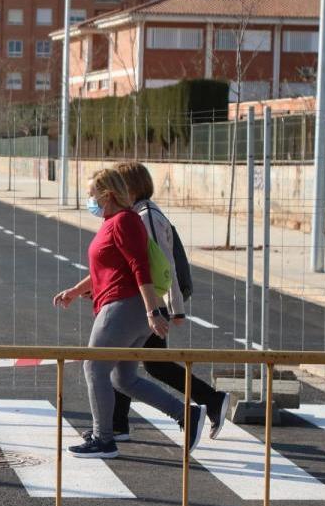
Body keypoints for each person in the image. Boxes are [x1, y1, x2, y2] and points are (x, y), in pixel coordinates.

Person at [53, 168, 206, 459]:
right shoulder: (115, 222)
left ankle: (103, 438)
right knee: (122, 379)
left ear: (107, 195)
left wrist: (153, 311)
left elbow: (140, 267)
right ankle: (187, 414)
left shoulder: (124, 221)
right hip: (126, 306)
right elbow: (106, 269)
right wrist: (74, 291)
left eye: (91, 195)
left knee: (94, 367)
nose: (89, 201)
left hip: (123, 306)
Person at [109, 162, 231, 441]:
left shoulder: (147, 216)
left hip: (152, 300)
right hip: (145, 299)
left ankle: (207, 402)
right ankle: (118, 423)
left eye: (118, 185)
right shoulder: (138, 214)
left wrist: (176, 309)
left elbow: (166, 265)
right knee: (135, 360)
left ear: (131, 187)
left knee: (134, 359)